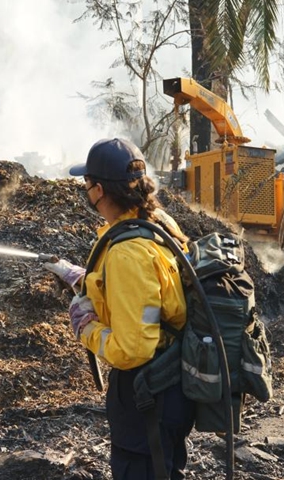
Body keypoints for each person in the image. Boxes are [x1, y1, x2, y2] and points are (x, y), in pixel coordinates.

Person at [44, 138, 196, 479]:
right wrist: (80, 278)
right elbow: (149, 292)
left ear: (99, 190)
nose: (86, 191)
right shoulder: (156, 222)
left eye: (87, 185)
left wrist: (86, 329)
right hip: (170, 384)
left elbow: (131, 350)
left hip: (147, 393)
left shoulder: (127, 252)